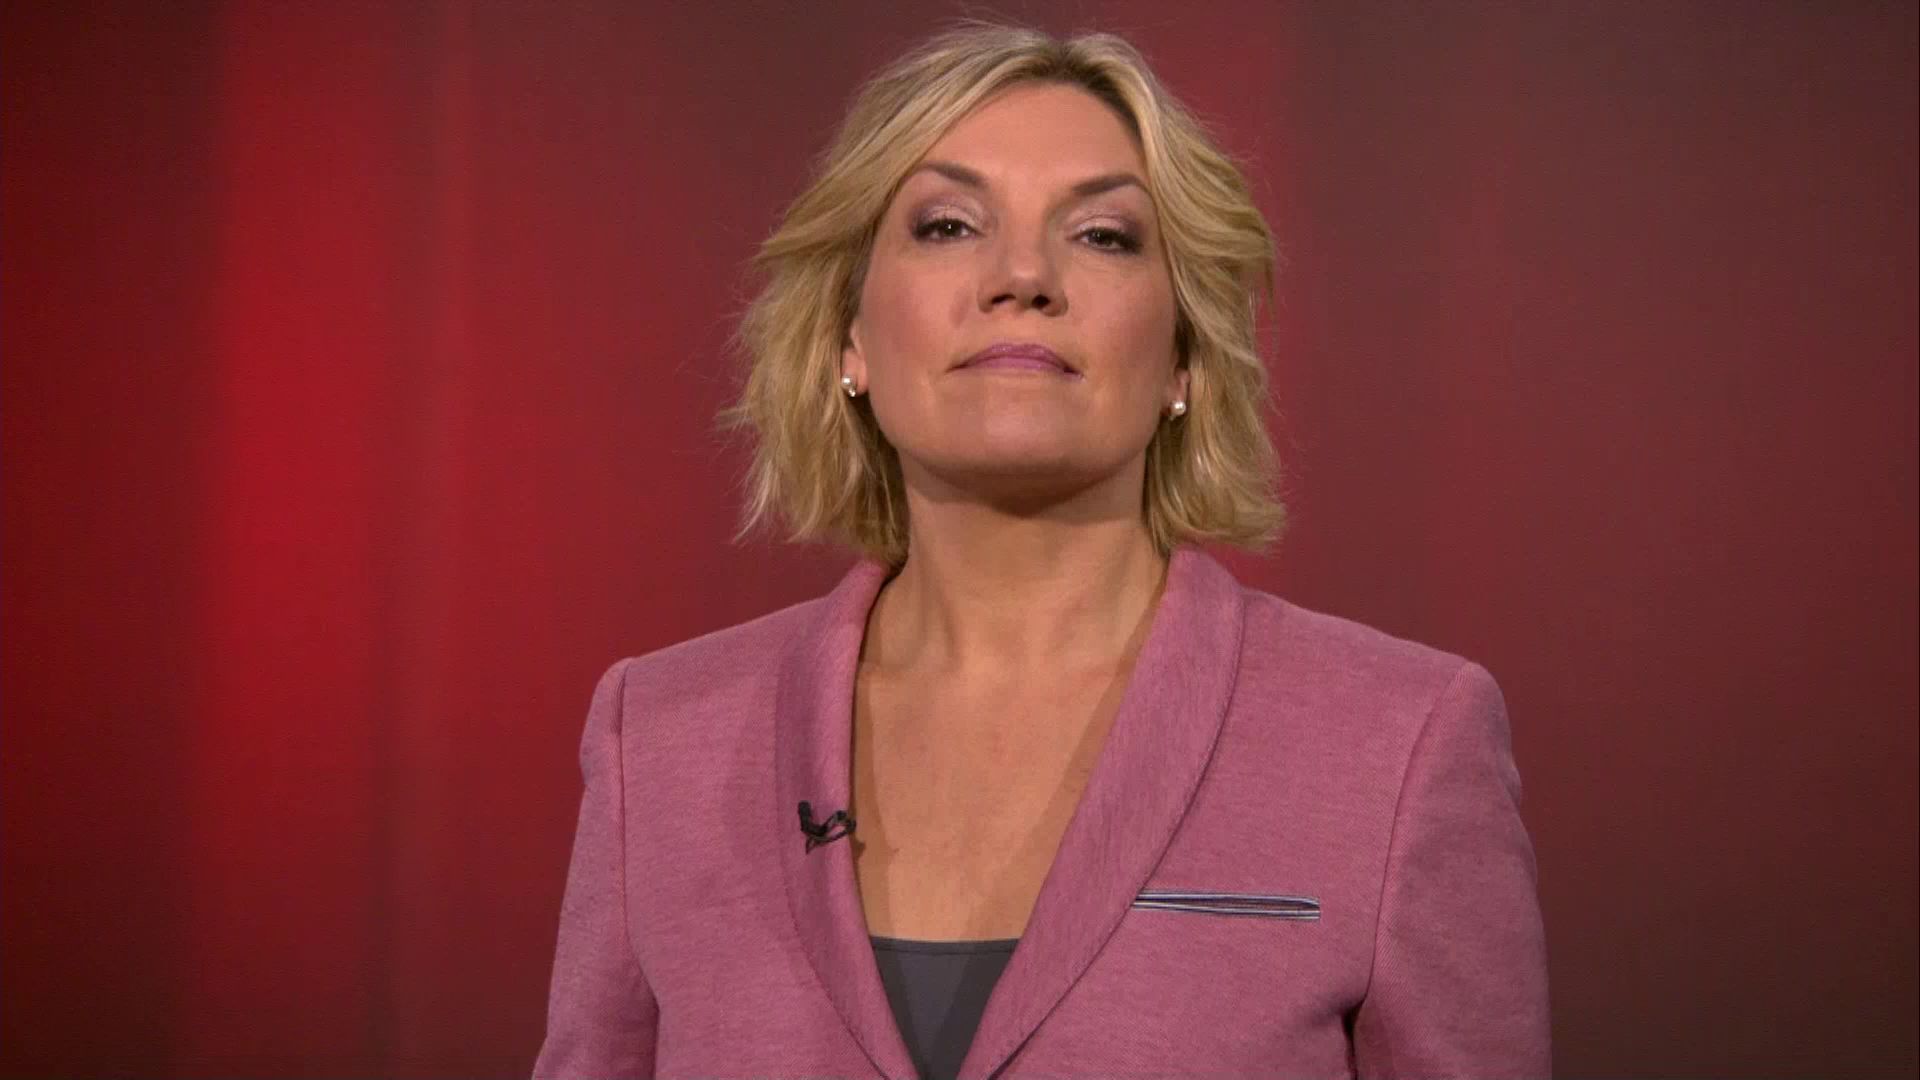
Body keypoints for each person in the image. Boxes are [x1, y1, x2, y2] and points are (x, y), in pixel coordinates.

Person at [533, 19, 1550, 1080]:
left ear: (1185, 356)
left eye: (1103, 236)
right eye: (947, 226)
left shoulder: (1403, 743)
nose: (1022, 275)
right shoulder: (656, 743)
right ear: (849, 338)